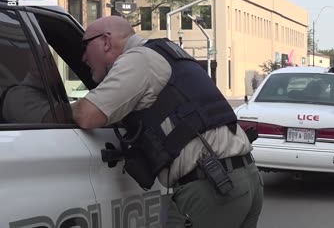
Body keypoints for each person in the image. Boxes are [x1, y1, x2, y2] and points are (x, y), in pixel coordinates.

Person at [71, 16, 263, 228]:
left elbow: (86, 115)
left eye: (85, 45)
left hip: (213, 188)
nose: (83, 57)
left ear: (105, 41)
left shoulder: (137, 60)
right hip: (245, 179)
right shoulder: (166, 52)